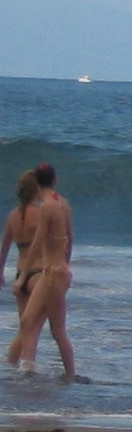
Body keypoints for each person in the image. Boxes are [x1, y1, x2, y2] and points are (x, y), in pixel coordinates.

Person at [8, 163, 75, 380]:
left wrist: (22, 278)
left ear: (37, 183)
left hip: (53, 274)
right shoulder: (63, 203)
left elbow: (37, 244)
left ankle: (71, 375)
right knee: (28, 319)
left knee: (57, 330)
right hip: (55, 271)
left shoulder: (47, 207)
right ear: (55, 180)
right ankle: (26, 368)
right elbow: (70, 239)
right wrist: (66, 263)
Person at [0, 170, 41, 322]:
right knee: (39, 324)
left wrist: (0, 272)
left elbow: (4, 248)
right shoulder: (41, 213)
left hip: (20, 274)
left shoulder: (12, 216)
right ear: (37, 189)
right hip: (39, 273)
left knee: (25, 325)